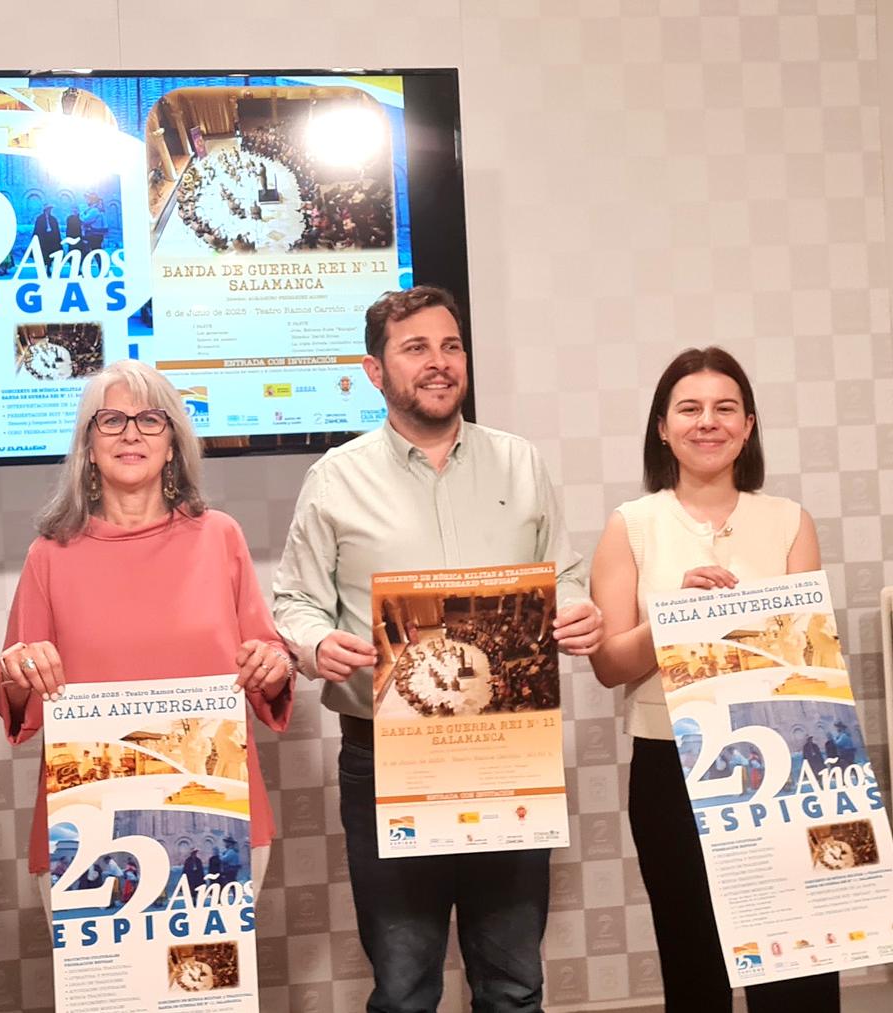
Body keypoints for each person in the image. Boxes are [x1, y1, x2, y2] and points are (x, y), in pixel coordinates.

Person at [272, 285, 603, 1013]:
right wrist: (316, 643)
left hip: (509, 748)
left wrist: (578, 610)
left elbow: (564, 577)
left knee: (514, 982)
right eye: (416, 348)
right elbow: (294, 603)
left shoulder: (521, 462)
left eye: (451, 346)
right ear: (374, 371)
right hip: (386, 756)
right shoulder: (335, 478)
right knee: (403, 987)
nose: (439, 362)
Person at [0, 360, 293, 914]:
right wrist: (19, 671)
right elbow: (18, 698)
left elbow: (268, 671)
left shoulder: (220, 537)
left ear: (172, 443)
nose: (131, 434)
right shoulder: (49, 555)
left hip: (219, 818)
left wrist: (273, 666)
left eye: (150, 420)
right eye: (111, 420)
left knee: (208, 971)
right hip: (85, 829)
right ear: (88, 446)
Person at [589, 347, 832, 1010]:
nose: (708, 422)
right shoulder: (631, 525)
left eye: (726, 408)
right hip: (671, 764)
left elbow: (809, 659)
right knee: (695, 963)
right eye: (689, 409)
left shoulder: (790, 520)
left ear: (747, 427)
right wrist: (675, 617)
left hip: (786, 763)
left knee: (801, 962)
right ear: (662, 427)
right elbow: (609, 665)